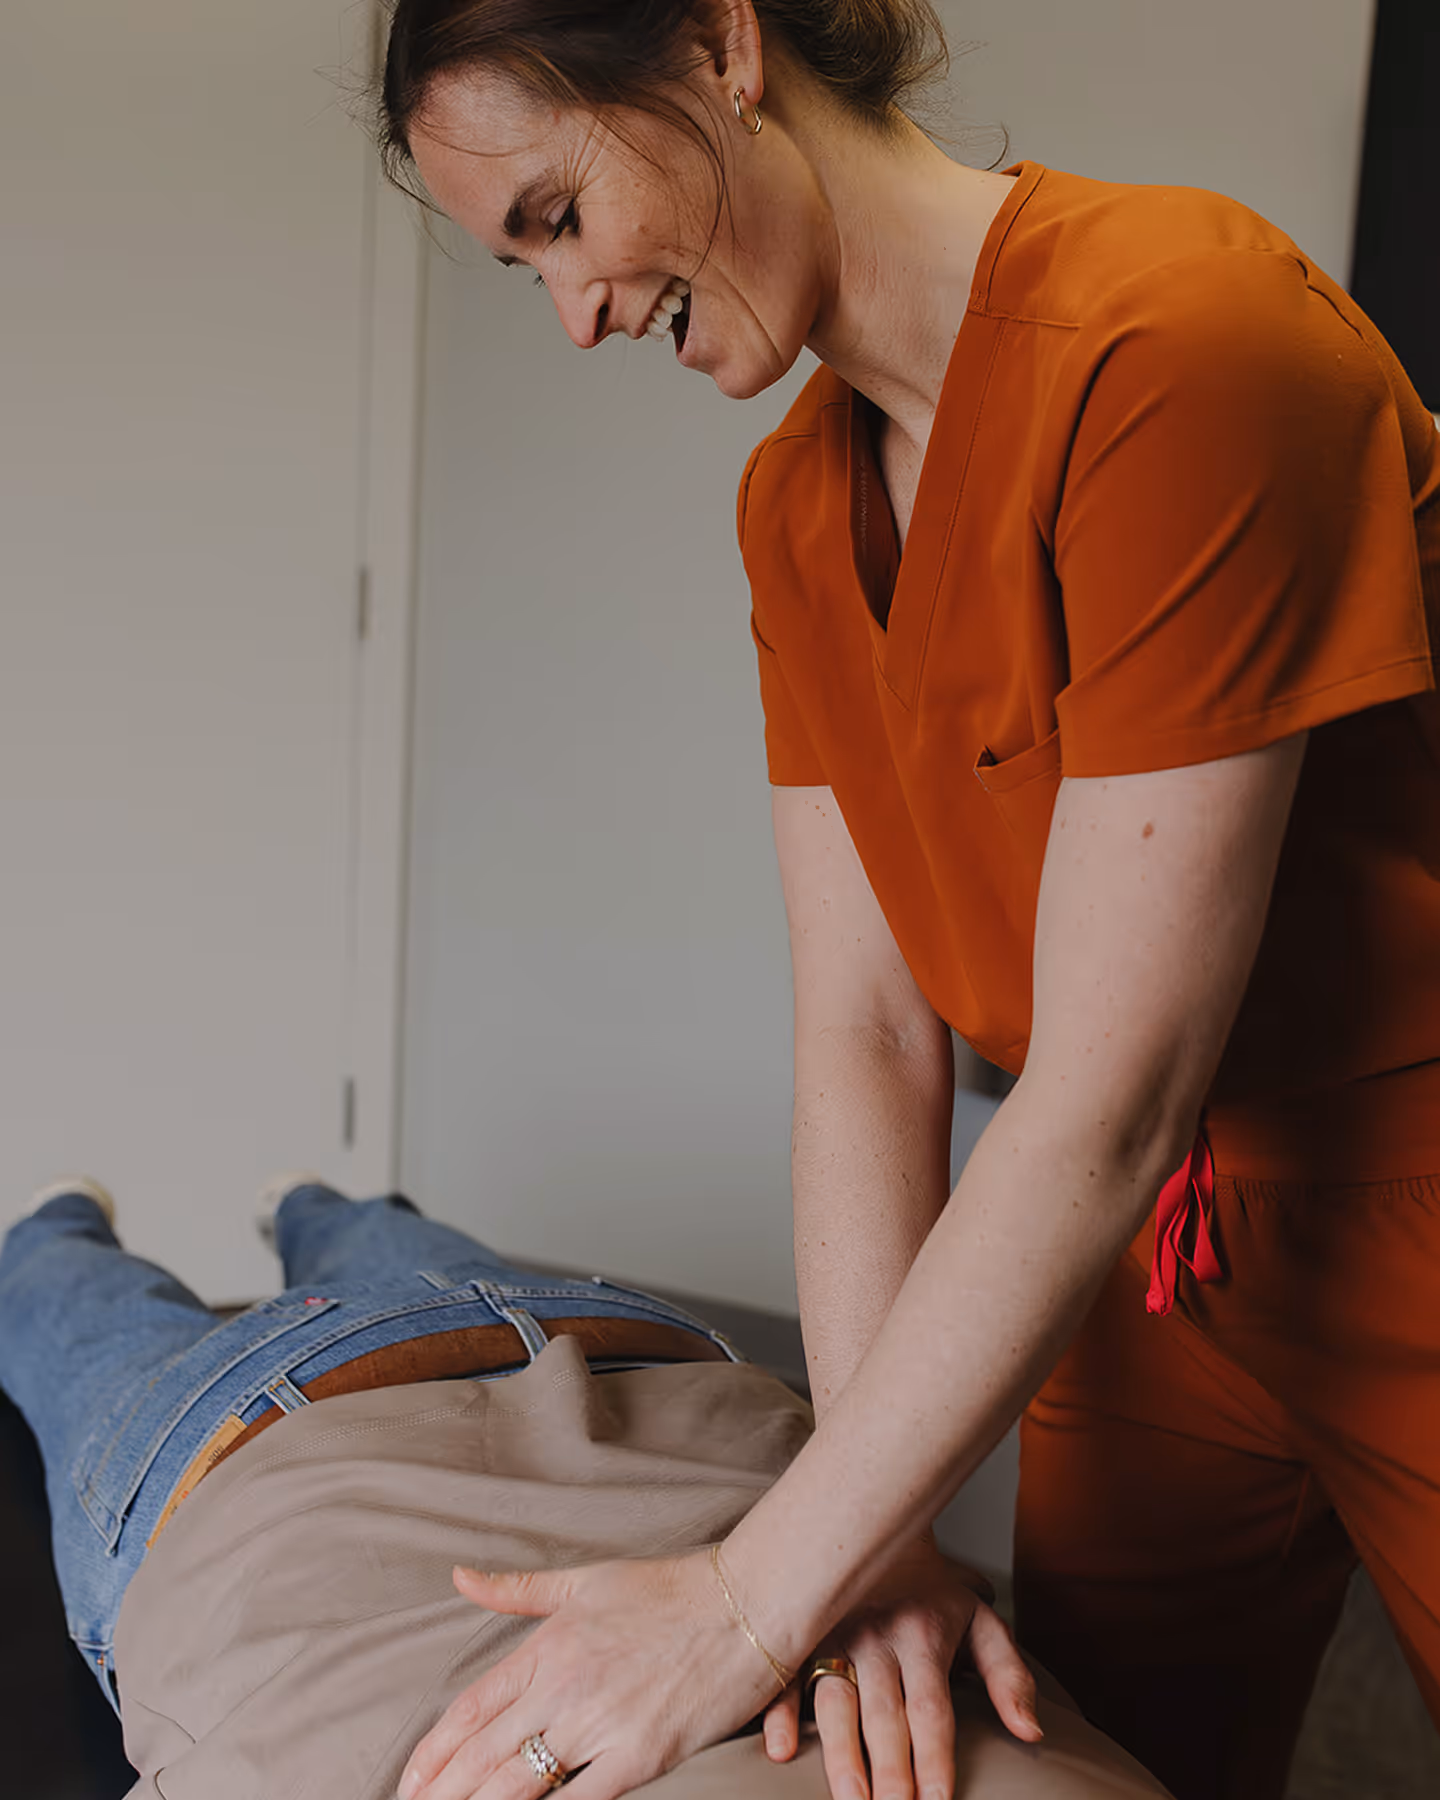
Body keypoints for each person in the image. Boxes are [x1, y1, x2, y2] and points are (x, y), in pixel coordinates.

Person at [372, 4, 1440, 1800]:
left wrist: (751, 1599)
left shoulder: (1184, 340)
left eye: (559, 216)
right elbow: (867, 1038)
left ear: (721, 44)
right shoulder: (798, 504)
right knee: (1079, 1760)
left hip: (1389, 1191)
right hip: (1149, 1267)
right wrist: (870, 1544)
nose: (575, 315)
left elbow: (1112, 1093)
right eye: (516, 269)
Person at [0, 1176, 1173, 1800]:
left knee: (413, 1260)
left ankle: (309, 1203)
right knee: (64, 1297)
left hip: (638, 1359)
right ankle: (129, 1219)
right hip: (269, 1444)